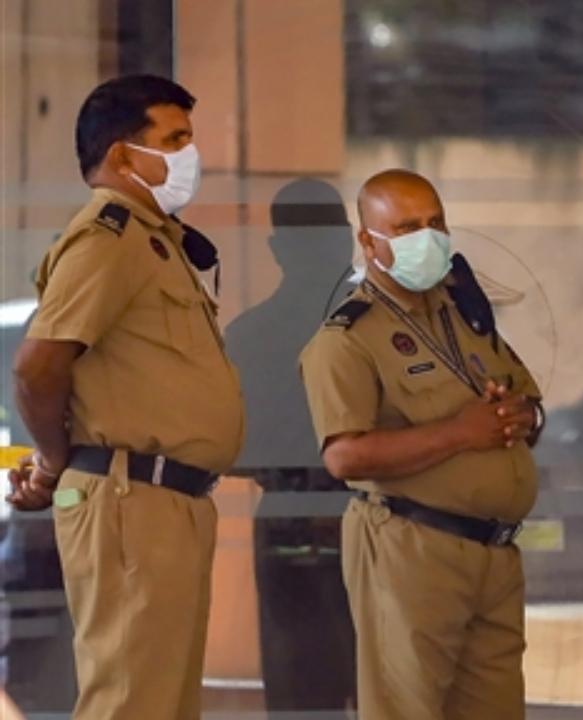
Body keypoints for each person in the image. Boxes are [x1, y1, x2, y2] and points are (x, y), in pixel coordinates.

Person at [5, 75, 243, 719]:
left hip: (168, 501)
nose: (190, 155)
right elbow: (37, 367)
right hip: (130, 498)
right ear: (122, 155)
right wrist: (54, 462)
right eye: (174, 139)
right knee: (132, 703)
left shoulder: (152, 238)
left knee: (163, 702)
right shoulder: (109, 237)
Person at [299, 169, 544, 719]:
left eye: (435, 223)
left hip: (494, 553)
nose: (427, 238)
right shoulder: (347, 338)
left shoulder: (463, 314)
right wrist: (461, 433)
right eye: (407, 226)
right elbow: (343, 455)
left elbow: (529, 400)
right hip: (412, 545)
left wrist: (519, 415)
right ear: (368, 241)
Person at [224, 178, 357, 714]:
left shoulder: (251, 333)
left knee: (306, 693)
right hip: (338, 515)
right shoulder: (385, 323)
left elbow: (234, 450)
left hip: (299, 515)